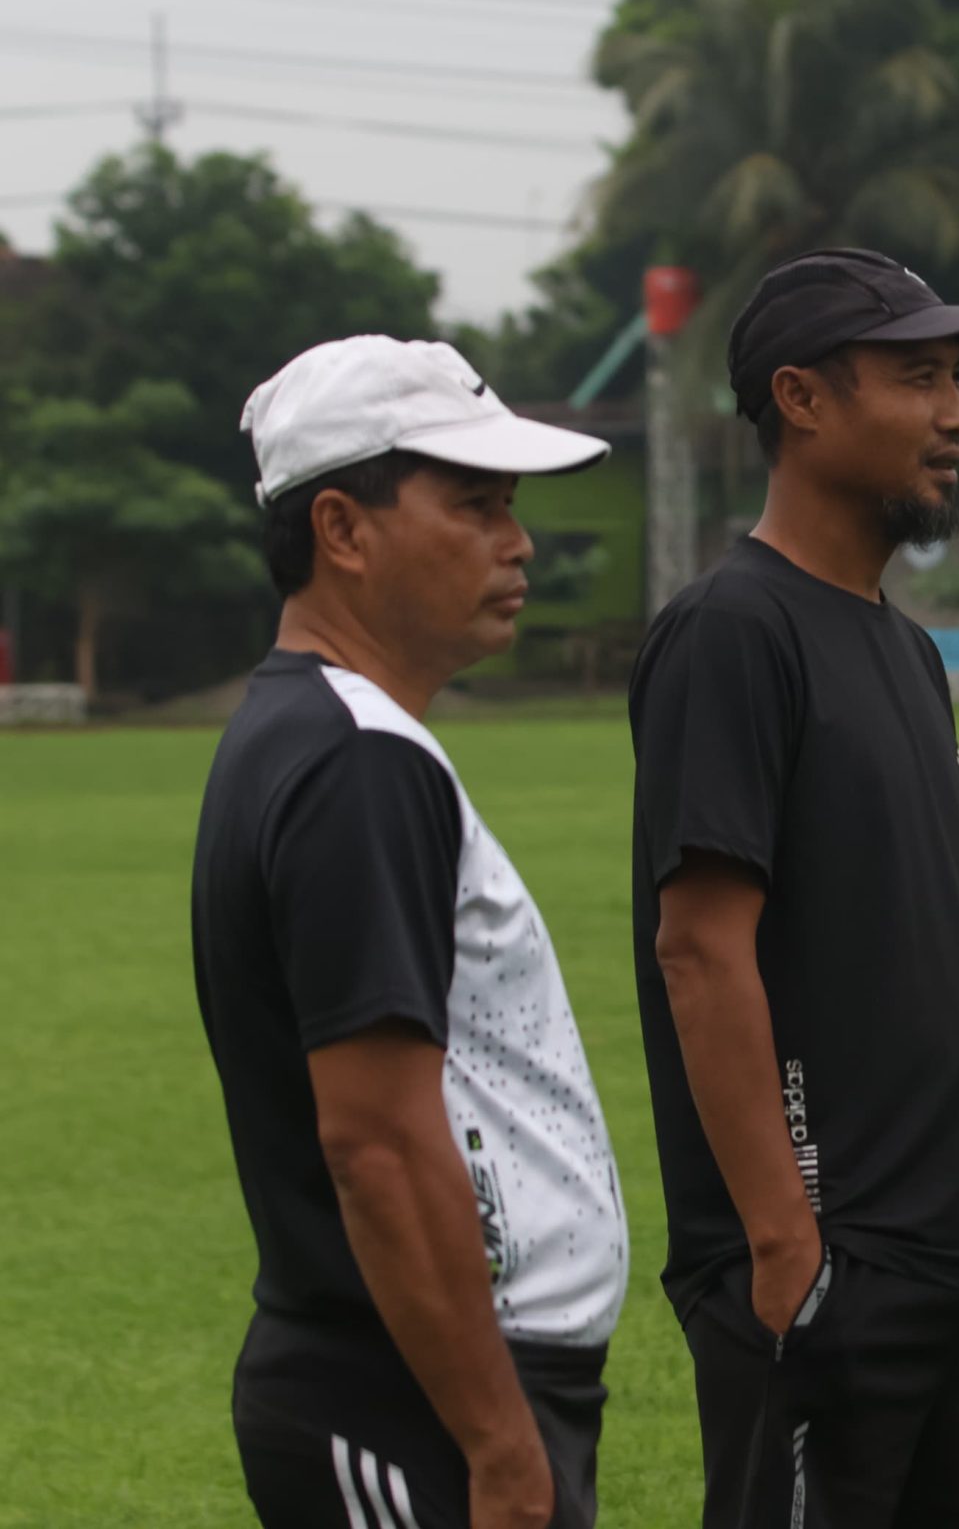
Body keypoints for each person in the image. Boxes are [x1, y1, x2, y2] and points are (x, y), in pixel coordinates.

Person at [628, 247, 959, 1528]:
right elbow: (699, 949)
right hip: (833, 1269)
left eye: (958, 379)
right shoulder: (732, 632)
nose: (956, 415)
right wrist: (786, 1246)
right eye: (919, 378)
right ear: (800, 400)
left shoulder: (905, 650)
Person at [193, 336, 629, 1529]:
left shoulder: (318, 734)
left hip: (417, 1389)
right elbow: (376, 1142)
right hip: (406, 1402)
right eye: (476, 503)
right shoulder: (357, 765)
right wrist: (497, 1445)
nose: (518, 541)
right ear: (342, 528)